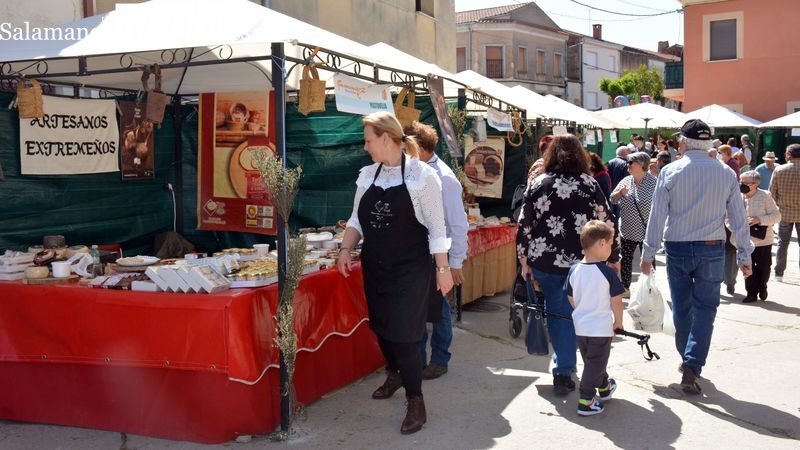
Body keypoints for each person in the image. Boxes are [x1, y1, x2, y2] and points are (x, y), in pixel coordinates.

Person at [337, 111, 454, 435]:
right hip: (376, 266)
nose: (366, 147)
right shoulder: (367, 175)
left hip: (411, 269)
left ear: (386, 139)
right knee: (383, 329)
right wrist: (345, 248)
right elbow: (356, 219)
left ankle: (415, 400)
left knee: (405, 335)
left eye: (369, 141)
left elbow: (437, 228)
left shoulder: (421, 176)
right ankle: (396, 373)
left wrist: (443, 269)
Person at [641, 119, 753, 395]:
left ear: (684, 142)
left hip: (678, 246)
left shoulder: (670, 171)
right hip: (711, 246)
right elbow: (738, 217)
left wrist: (648, 253)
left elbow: (657, 216)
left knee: (682, 307)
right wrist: (744, 254)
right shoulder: (725, 172)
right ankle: (692, 364)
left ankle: (688, 359)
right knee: (705, 309)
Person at [517, 134, 620, 396]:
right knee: (585, 312)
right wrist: (614, 257)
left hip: (545, 261)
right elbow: (608, 221)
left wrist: (523, 259)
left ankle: (564, 370)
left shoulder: (539, 183)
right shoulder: (589, 183)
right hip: (583, 262)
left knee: (557, 311)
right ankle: (581, 368)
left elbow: (524, 224)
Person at [404, 121, 469, 380]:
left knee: (439, 309)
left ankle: (440, 359)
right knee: (418, 308)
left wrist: (455, 262)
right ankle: (418, 359)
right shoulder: (411, 171)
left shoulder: (444, 178)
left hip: (437, 254)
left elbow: (458, 223)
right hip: (417, 252)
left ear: (419, 148)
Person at [565, 220, 625, 416]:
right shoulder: (607, 273)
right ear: (601, 243)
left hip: (581, 327)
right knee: (595, 363)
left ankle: (605, 387)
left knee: (594, 361)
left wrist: (583, 310)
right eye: (610, 244)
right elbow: (617, 301)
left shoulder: (574, 270)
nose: (611, 249)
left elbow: (571, 297)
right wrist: (618, 322)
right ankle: (586, 400)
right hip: (600, 328)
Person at [610, 151, 657, 298]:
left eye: (630, 162)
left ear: (641, 164)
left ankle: (650, 289)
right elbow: (612, 199)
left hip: (647, 231)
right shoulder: (626, 181)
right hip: (627, 230)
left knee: (648, 261)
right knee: (625, 260)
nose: (627, 165)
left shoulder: (654, 183)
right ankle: (625, 287)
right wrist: (619, 194)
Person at [736, 171, 781, 302]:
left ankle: (762, 286)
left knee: (764, 267)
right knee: (747, 266)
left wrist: (759, 219)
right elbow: (728, 217)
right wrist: (736, 227)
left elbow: (777, 216)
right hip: (745, 240)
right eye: (741, 182)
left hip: (763, 240)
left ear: (755, 184)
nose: (742, 185)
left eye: (745, 183)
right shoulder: (737, 197)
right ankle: (751, 293)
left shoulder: (765, 196)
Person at [770, 143, 800, 282]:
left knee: (782, 243)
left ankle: (779, 274)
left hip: (784, 212)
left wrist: (779, 204)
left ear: (789, 155)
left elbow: (772, 192)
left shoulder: (779, 170)